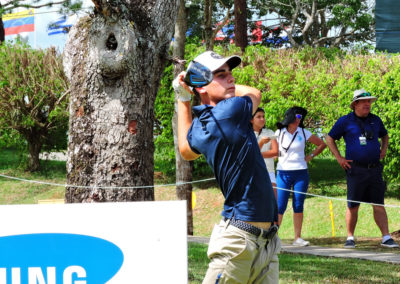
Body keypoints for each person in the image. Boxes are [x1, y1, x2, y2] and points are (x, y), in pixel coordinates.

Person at [174, 51, 280, 283]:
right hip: (238, 243)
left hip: (265, 242)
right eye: (221, 75)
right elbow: (255, 93)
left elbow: (185, 150)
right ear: (201, 85)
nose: (231, 79)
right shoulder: (231, 111)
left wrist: (183, 97)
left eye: (231, 73)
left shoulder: (202, 125)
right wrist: (193, 82)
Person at [325, 88, 399, 249]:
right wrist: (339, 158)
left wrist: (384, 149)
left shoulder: (375, 120)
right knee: (353, 204)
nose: (368, 104)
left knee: (378, 203)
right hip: (355, 169)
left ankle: (386, 237)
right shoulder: (345, 121)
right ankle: (350, 238)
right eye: (364, 102)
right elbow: (329, 138)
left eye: (369, 102)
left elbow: (384, 135)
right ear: (355, 104)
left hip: (374, 169)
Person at [274, 106, 326, 247]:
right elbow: (273, 150)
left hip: (301, 172)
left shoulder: (303, 132)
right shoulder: (279, 132)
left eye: (300, 118)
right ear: (290, 118)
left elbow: (322, 144)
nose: (299, 120)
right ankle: (274, 237)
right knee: (280, 205)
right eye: (297, 117)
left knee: (298, 204)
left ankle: (297, 238)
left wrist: (310, 156)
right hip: (283, 172)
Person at [251, 107, 279, 198]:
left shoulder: (270, 132)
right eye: (259, 117)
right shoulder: (246, 134)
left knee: (274, 200)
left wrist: (257, 155)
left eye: (263, 116)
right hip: (252, 172)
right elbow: (249, 154)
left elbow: (275, 152)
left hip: (269, 170)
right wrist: (262, 143)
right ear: (251, 120)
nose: (262, 119)